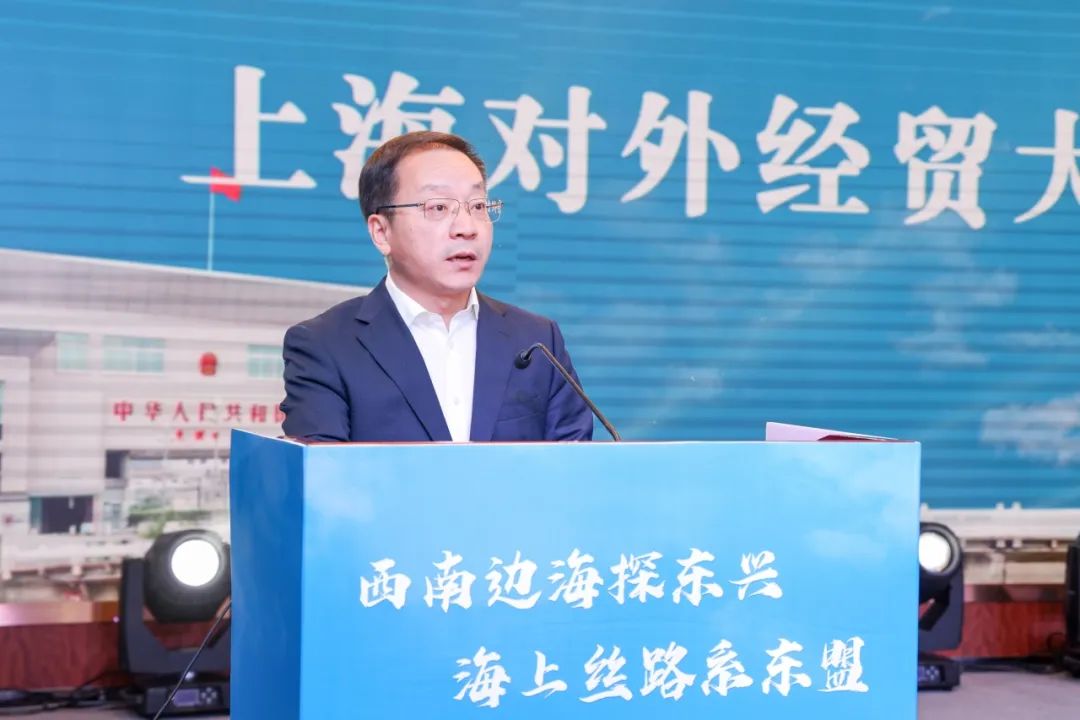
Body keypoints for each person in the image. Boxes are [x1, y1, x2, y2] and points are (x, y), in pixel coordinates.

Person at [280, 131, 593, 442]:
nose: (466, 228)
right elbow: (322, 468)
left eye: (478, 206)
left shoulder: (538, 341)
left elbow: (575, 462)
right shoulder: (325, 346)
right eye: (438, 207)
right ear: (381, 232)